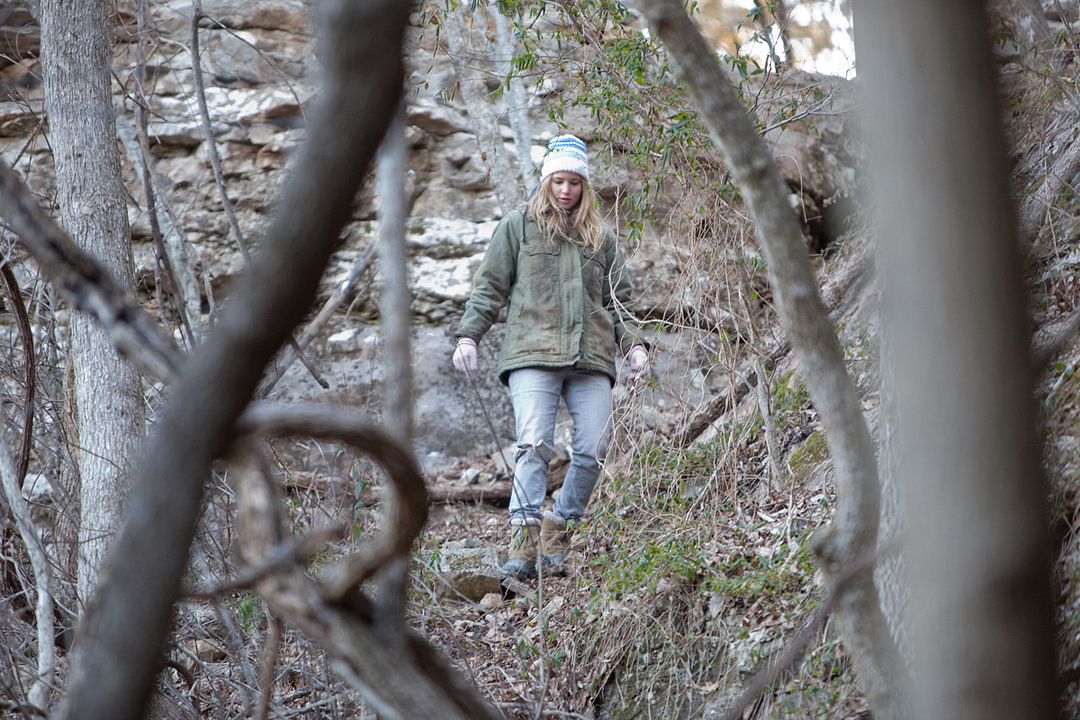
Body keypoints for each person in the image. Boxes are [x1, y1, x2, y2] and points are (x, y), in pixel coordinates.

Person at [451, 134, 650, 580]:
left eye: (574, 182)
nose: (565, 190)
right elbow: (489, 289)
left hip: (592, 356)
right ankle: (522, 541)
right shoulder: (517, 227)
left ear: (584, 186)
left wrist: (633, 345)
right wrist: (469, 337)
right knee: (534, 444)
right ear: (547, 182)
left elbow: (619, 303)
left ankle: (558, 526)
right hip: (532, 352)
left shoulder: (602, 238)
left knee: (594, 448)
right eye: (558, 181)